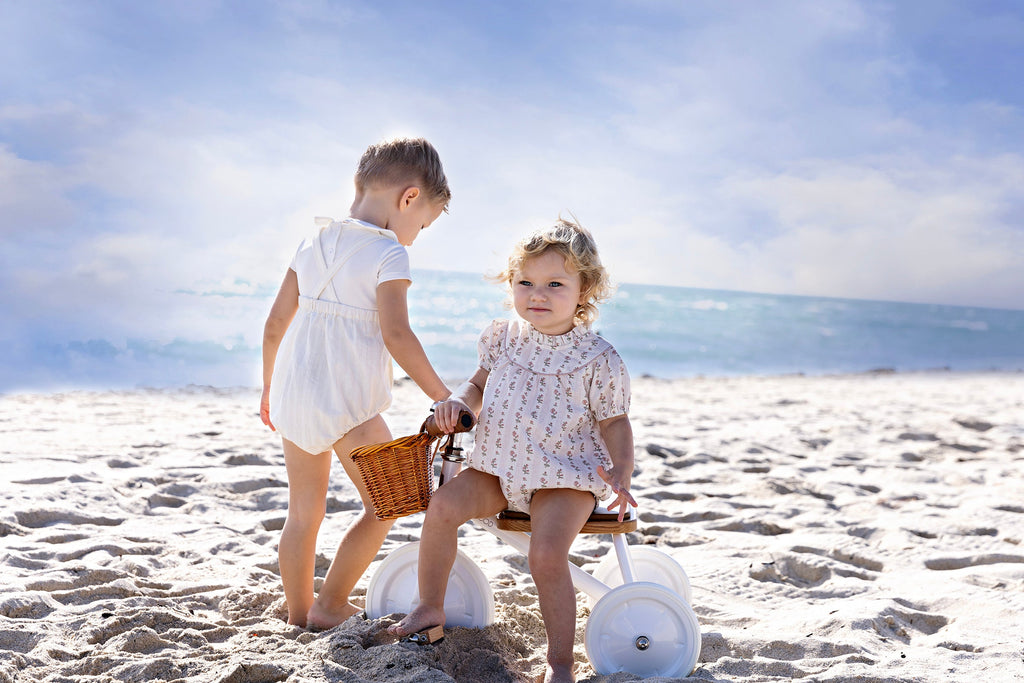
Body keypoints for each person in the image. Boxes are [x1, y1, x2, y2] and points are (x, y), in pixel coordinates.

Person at [389, 218, 638, 683]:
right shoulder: (502, 338)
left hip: (565, 476)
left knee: (545, 555)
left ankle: (560, 660)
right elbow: (477, 384)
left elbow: (614, 421)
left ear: (585, 291)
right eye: (526, 282)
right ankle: (428, 609)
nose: (537, 294)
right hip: (499, 468)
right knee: (441, 506)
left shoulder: (598, 358)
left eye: (554, 284)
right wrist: (460, 402)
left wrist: (621, 470)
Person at [260, 137, 453, 629]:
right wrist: (441, 395)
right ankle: (328, 606)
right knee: (388, 504)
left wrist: (268, 390)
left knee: (303, 514)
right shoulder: (389, 254)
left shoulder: (311, 242)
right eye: (424, 224)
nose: (416, 235)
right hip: (349, 405)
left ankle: (298, 612)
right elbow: (396, 334)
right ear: (409, 198)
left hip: (294, 396)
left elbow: (275, 324)